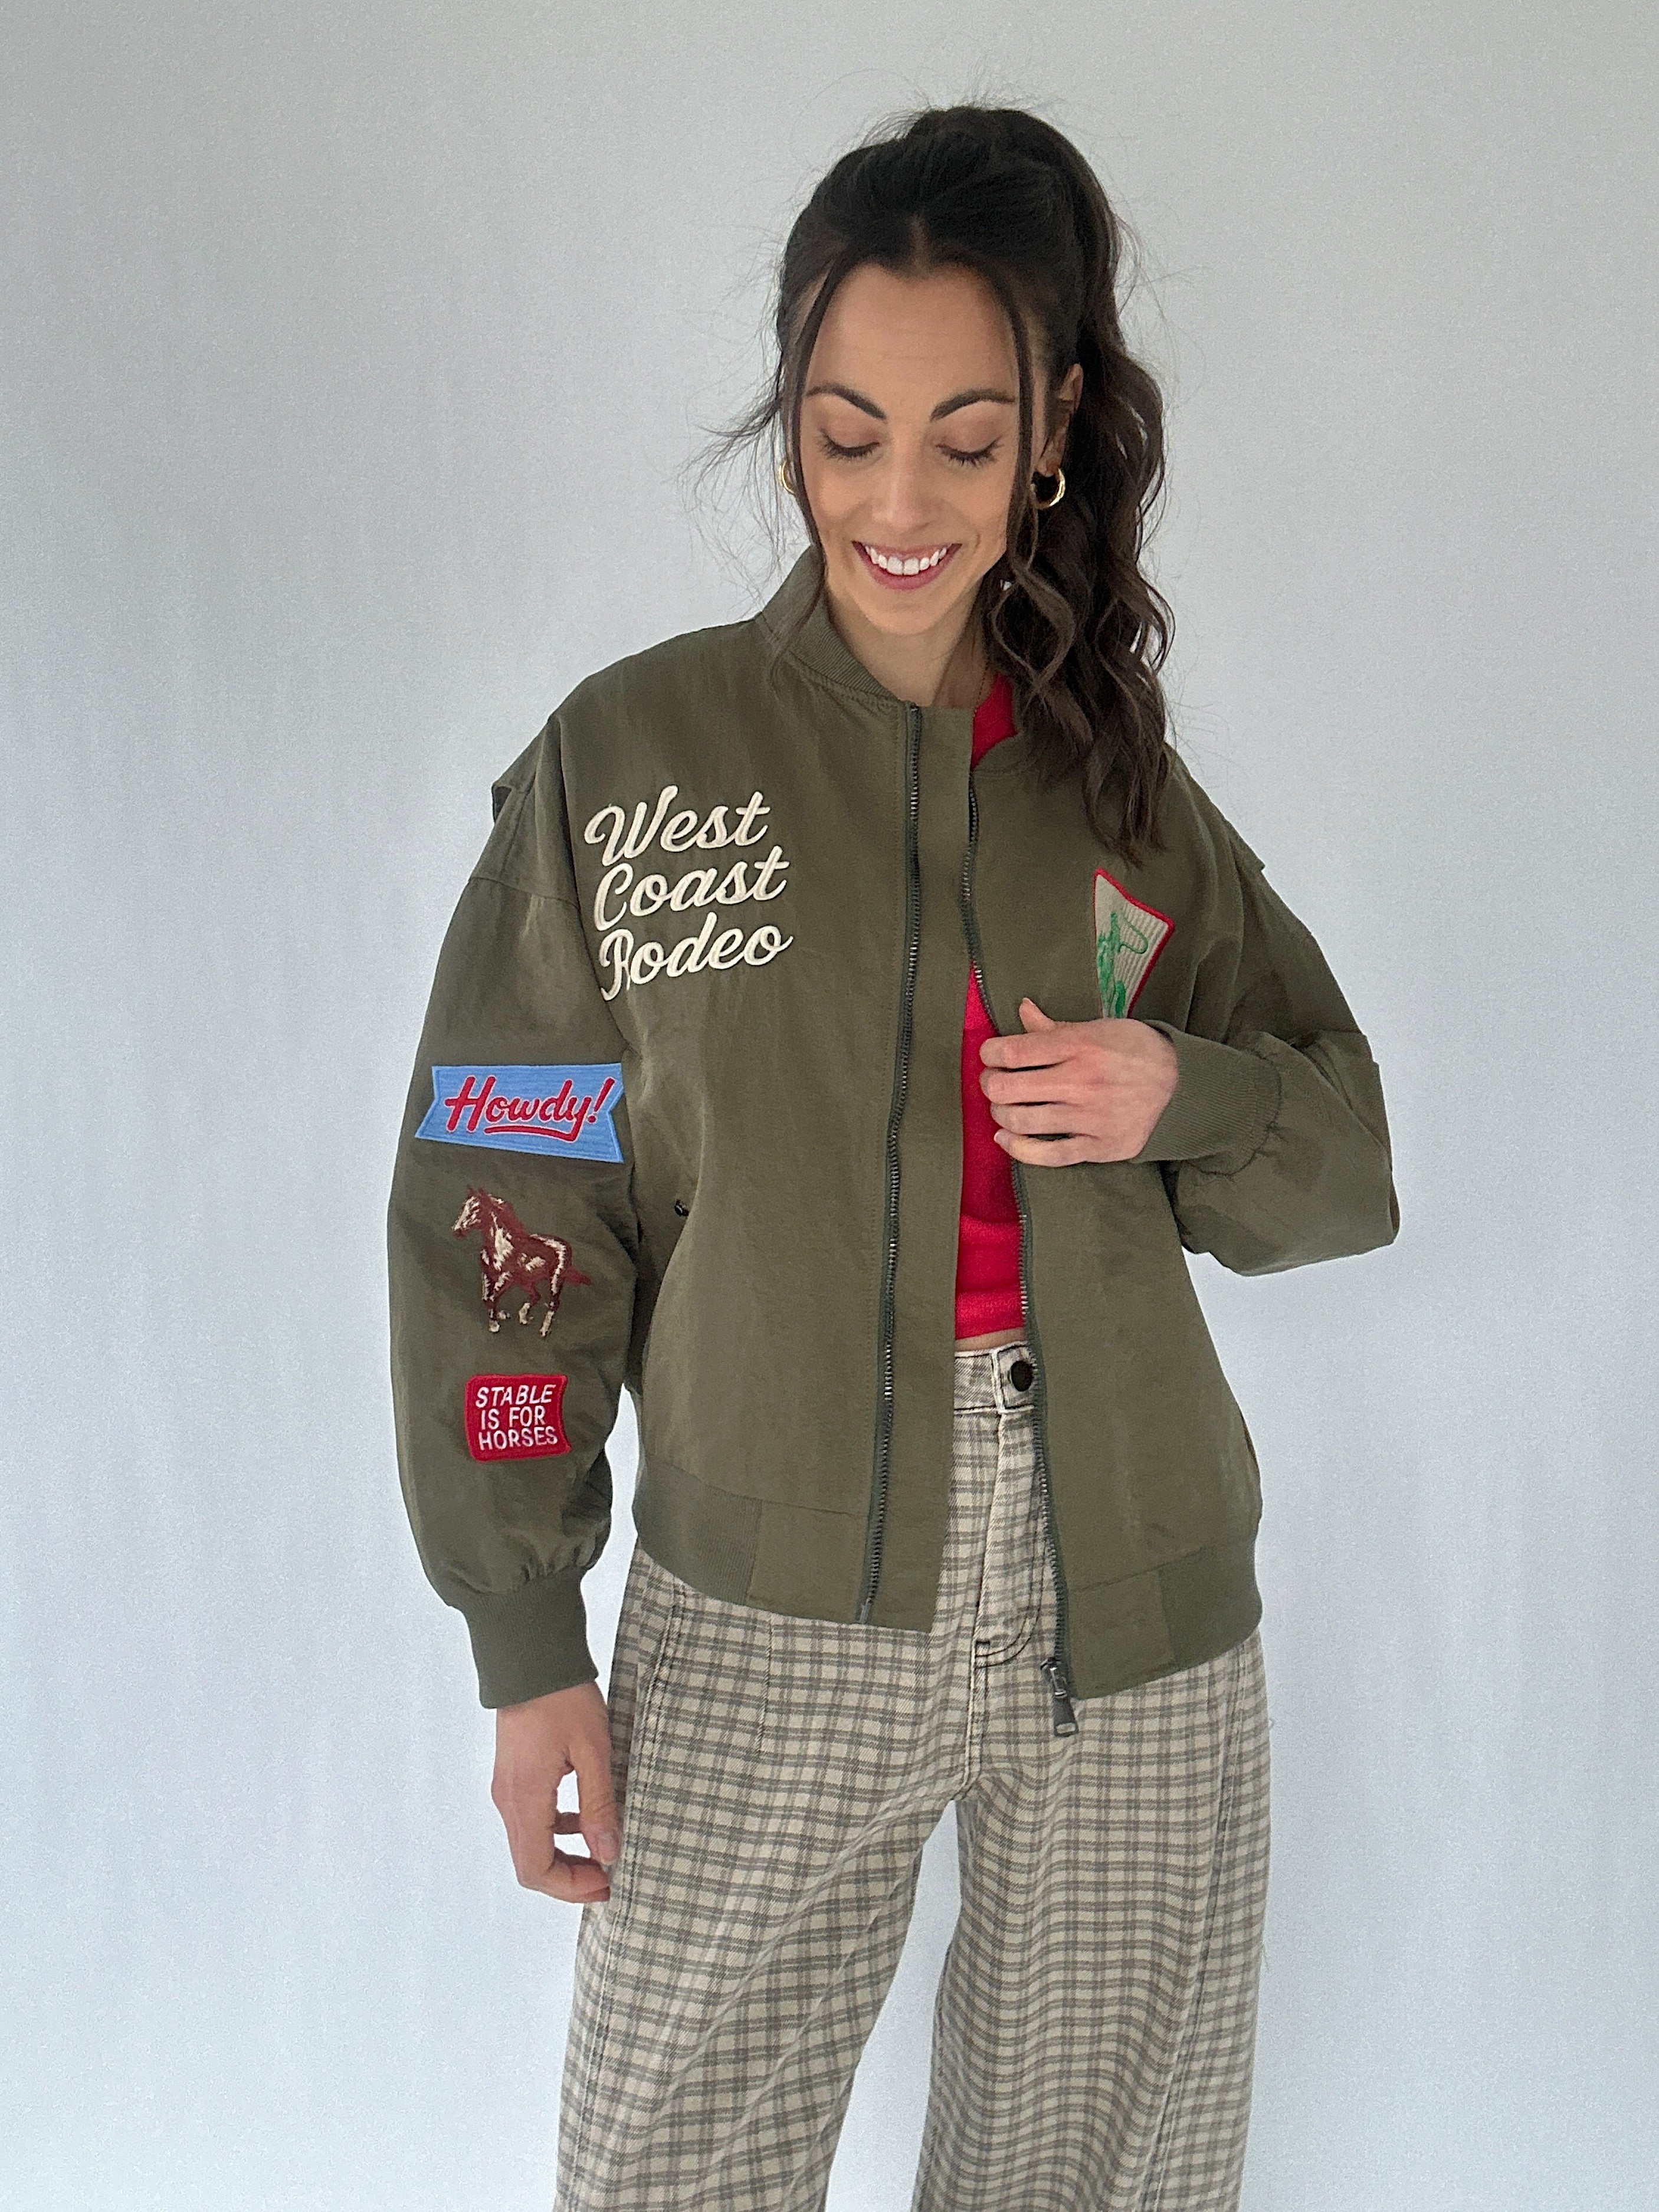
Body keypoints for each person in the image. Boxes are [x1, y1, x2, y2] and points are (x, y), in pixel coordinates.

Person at [386, 101, 1399, 2212]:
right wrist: (527, 1637)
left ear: (1054, 438)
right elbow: (503, 1221)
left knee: (1094, 2182)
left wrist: (1181, 1095)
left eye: (964, 438)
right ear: (791, 425)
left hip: (1131, 1598)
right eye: (846, 436)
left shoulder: (1123, 793)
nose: (899, 501)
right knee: (669, 2168)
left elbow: (1342, 1170)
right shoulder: (631, 765)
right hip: (763, 1602)